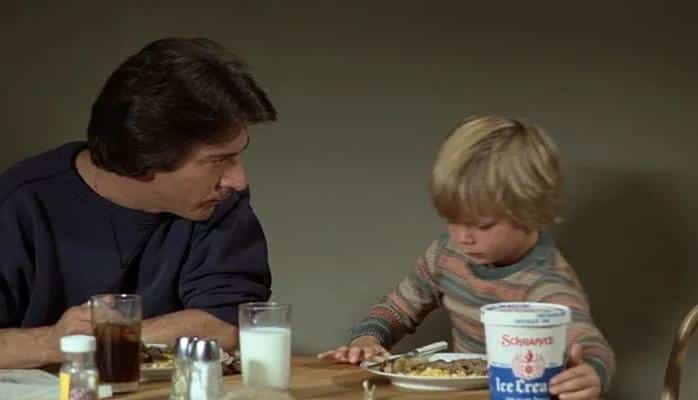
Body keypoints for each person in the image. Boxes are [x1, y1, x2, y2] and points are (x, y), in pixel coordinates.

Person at [0, 37, 277, 368]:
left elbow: (228, 324)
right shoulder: (18, 204)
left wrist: (111, 337)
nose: (239, 180)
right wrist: (50, 343)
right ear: (143, 160)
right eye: (218, 161)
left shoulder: (219, 203)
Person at [318, 116, 615, 399]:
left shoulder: (547, 283)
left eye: (482, 225)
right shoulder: (447, 254)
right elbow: (397, 309)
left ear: (531, 212)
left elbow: (589, 344)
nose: (463, 237)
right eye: (453, 220)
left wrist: (591, 373)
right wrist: (368, 339)